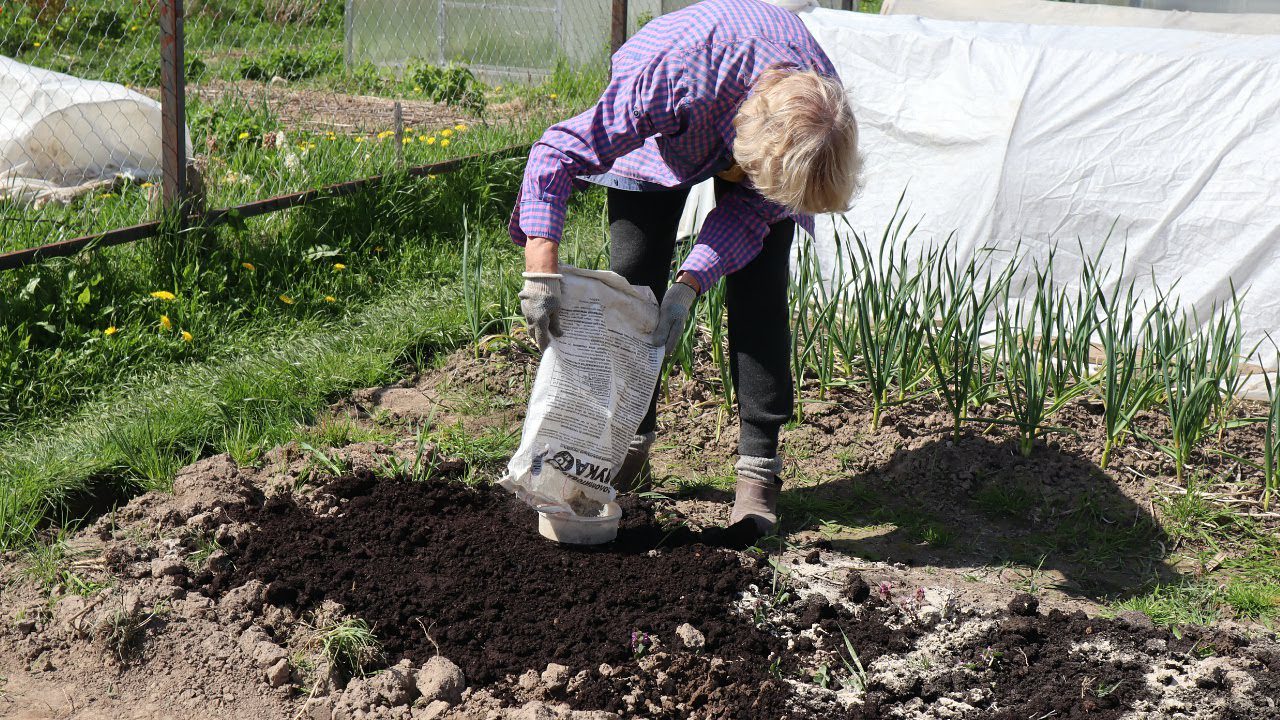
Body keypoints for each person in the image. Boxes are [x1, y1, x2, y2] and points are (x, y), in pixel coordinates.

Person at [511, 0, 860, 534]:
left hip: (763, 128)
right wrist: (542, 270)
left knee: (761, 293)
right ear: (743, 142)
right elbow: (558, 153)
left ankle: (758, 472)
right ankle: (629, 442)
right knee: (634, 279)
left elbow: (750, 214)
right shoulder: (669, 78)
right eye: (749, 172)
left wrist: (691, 284)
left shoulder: (817, 120)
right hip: (670, 127)